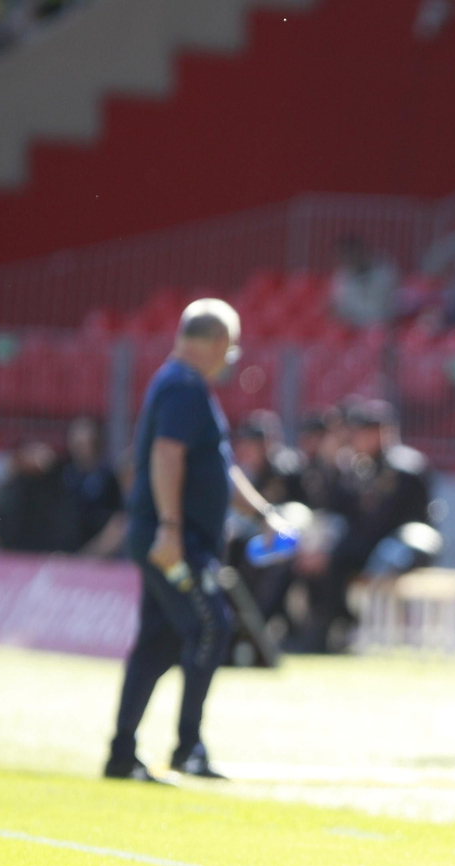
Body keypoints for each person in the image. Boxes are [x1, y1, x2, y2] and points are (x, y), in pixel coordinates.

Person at [105, 299, 290, 783]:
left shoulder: (182, 387)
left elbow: (218, 468)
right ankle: (189, 747)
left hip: (177, 537)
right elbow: (169, 455)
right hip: (177, 541)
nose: (231, 357)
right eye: (229, 346)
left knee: (157, 641)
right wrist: (169, 528)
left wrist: (263, 513)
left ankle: (122, 754)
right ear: (214, 342)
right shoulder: (185, 387)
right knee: (211, 628)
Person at [292, 400, 434, 653]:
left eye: (362, 432)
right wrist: (331, 464)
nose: (355, 439)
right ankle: (324, 626)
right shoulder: (362, 467)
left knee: (333, 563)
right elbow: (335, 508)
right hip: (370, 545)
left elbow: (380, 524)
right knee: (319, 561)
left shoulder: (402, 467)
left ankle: (332, 629)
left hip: (402, 547)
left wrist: (331, 555)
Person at [58, 416, 125, 554]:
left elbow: (119, 520)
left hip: (97, 553)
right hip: (63, 552)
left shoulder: (107, 476)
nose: (79, 444)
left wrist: (91, 555)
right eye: (75, 438)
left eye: (84, 440)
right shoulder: (62, 472)